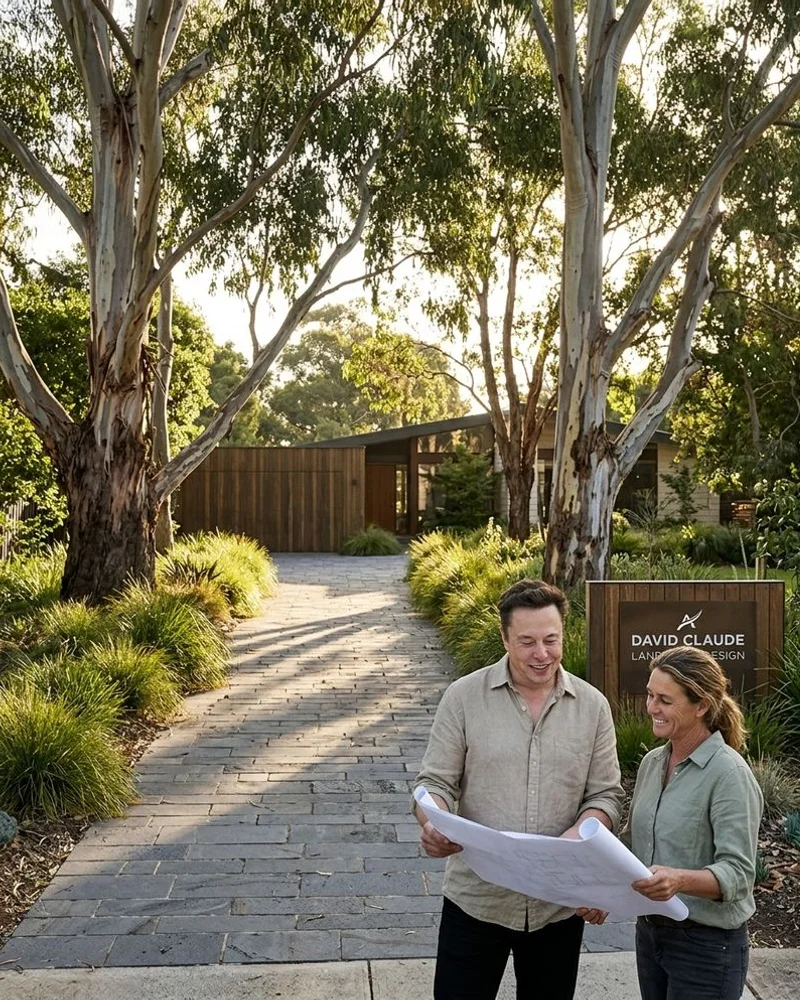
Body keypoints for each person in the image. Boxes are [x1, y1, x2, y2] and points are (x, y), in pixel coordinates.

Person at [413, 578, 623, 1000]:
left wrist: (580, 834)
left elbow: (606, 795)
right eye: (527, 641)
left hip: (557, 903)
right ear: (504, 637)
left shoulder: (593, 706)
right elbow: (435, 782)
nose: (541, 654)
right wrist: (433, 820)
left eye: (551, 639)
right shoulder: (463, 698)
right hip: (476, 899)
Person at [623, 646, 763, 1000]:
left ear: (701, 705)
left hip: (706, 947)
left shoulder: (729, 775)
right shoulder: (653, 763)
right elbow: (635, 847)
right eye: (651, 695)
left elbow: (739, 874)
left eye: (665, 700)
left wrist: (679, 879)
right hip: (651, 935)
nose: (652, 707)